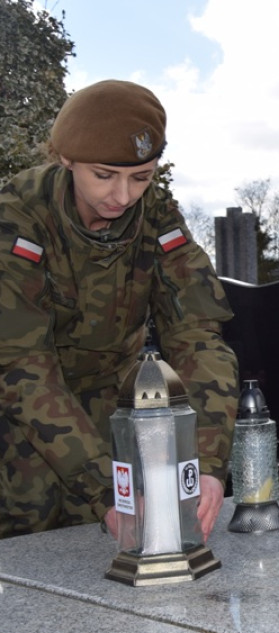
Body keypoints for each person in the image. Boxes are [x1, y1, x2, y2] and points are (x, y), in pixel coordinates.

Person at [0, 80, 239, 540]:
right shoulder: (18, 215)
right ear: (65, 158)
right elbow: (20, 366)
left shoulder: (157, 216)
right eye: (105, 175)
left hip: (115, 415)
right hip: (22, 422)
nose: (124, 196)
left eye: (141, 177)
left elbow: (198, 336)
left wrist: (205, 463)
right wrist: (107, 487)